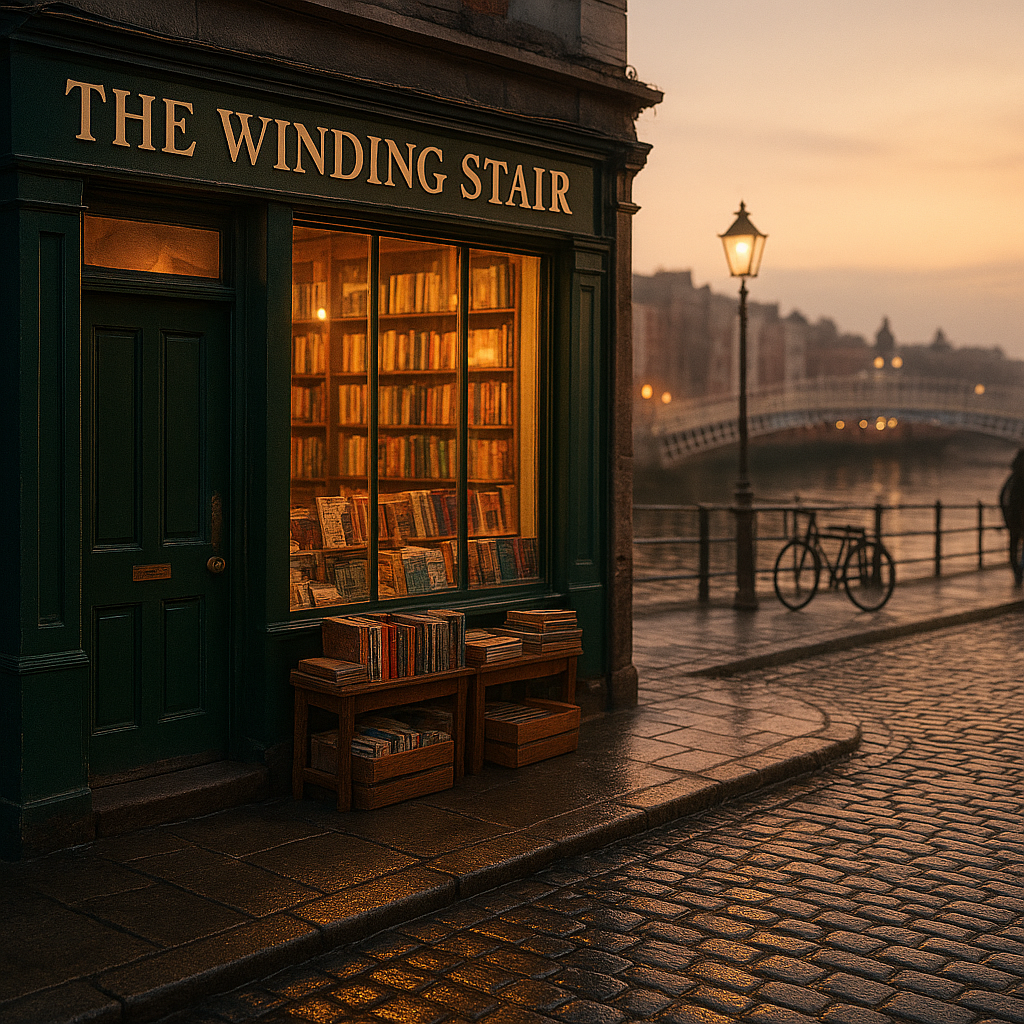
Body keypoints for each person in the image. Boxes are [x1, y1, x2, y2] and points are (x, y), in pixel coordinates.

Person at [999, 448, 1024, 585]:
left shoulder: (1012, 479)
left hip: (1012, 518)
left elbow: (1002, 496)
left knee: (1013, 546)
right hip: (1018, 518)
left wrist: (1005, 516)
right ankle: (1019, 570)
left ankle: (1017, 572)